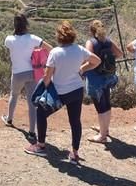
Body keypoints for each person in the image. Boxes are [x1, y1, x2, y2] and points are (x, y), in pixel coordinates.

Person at [25, 21, 100, 165]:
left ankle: (40, 145)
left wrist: (46, 90)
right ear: (72, 35)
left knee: (41, 112)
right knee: (75, 121)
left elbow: (47, 77)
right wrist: (82, 69)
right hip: (77, 90)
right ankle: (75, 153)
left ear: (59, 37)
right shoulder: (79, 49)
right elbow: (96, 61)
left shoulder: (55, 53)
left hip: (59, 92)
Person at [1, 13, 52, 141]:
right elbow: (50, 48)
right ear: (26, 24)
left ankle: (9, 119)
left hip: (17, 73)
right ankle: (32, 132)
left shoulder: (9, 39)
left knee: (14, 95)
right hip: (32, 73)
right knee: (31, 103)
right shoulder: (33, 38)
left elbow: (9, 46)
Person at [85, 19, 123, 143]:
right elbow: (119, 54)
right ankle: (104, 129)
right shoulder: (108, 41)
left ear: (91, 31)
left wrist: (81, 69)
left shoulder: (91, 43)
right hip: (107, 76)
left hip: (95, 78)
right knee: (106, 103)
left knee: (100, 107)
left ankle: (102, 136)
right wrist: (109, 60)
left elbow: (89, 59)